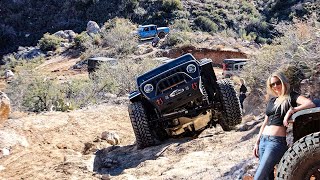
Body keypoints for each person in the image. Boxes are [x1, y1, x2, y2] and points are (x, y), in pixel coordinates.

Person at [253, 72, 315, 180]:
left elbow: (310, 103)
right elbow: (265, 122)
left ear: (283, 82)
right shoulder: (272, 100)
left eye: (278, 83)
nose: (276, 86)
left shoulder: (291, 96)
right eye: (272, 84)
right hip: (263, 141)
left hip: (275, 143)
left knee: (259, 177)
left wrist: (292, 110)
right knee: (267, 176)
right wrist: (257, 142)